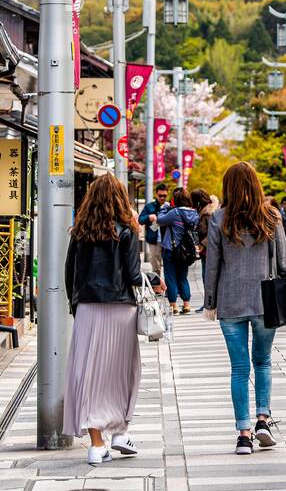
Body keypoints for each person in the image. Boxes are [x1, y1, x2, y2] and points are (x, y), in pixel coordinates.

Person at [64, 173, 163, 466]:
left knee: (90, 376)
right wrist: (154, 279)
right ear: (121, 198)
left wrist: (76, 307)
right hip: (121, 311)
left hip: (88, 310)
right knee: (121, 375)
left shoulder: (79, 232)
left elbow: (70, 273)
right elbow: (134, 275)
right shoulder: (127, 232)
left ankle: (97, 445)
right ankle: (120, 432)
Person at [204, 162, 286, 454]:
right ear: (256, 184)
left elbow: (212, 265)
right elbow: (283, 264)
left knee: (239, 368)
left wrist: (210, 302)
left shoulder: (218, 219)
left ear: (227, 187)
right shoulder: (271, 216)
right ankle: (263, 420)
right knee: (263, 362)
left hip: (230, 301)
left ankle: (243, 434)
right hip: (266, 301)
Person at [158, 187, 201, 314]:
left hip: (171, 249)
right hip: (186, 251)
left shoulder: (175, 212)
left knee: (170, 277)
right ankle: (186, 305)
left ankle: (173, 306)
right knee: (183, 277)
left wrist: (164, 208)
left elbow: (160, 220)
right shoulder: (194, 213)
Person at [138, 183, 170, 277]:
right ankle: (157, 287)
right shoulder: (149, 206)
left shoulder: (169, 207)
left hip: (167, 240)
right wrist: (148, 217)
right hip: (154, 240)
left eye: (164, 195)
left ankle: (169, 286)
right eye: (160, 195)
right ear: (156, 194)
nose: (162, 198)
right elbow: (140, 220)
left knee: (168, 264)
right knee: (155, 265)